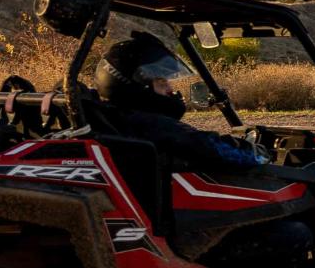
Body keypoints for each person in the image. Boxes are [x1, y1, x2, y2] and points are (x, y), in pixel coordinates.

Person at [96, 32, 262, 172]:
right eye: (161, 83)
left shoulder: (112, 116)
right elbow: (210, 147)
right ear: (137, 87)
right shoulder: (151, 124)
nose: (170, 89)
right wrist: (258, 152)